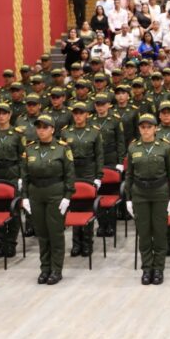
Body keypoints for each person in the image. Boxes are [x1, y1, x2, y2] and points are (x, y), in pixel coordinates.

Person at [125, 114, 170, 286]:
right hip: (140, 193)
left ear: (155, 128)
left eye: (149, 127)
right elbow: (129, 175)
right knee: (144, 233)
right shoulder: (133, 147)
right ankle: (147, 268)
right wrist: (128, 198)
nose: (146, 130)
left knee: (160, 232)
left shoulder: (164, 147)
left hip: (160, 193)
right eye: (142, 127)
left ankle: (158, 268)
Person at [22, 115, 75, 285]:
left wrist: (67, 196)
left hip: (55, 192)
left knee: (55, 233)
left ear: (52, 129)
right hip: (36, 192)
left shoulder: (62, 148)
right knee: (42, 234)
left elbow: (69, 174)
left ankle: (56, 269)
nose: (41, 130)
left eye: (45, 127)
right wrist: (24, 197)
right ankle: (45, 268)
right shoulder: (29, 149)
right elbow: (24, 176)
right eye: (39, 127)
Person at [62, 102, 104, 258]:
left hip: (88, 170)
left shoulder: (94, 132)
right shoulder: (66, 132)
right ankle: (76, 243)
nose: (78, 116)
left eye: (81, 113)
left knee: (87, 207)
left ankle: (87, 242)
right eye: (75, 113)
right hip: (73, 170)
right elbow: (64, 157)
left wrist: (99, 176)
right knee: (74, 206)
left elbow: (99, 155)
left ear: (87, 114)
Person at [0, 103, 27, 258]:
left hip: (12, 172)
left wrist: (22, 177)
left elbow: (23, 157)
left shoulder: (17, 134)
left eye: (4, 113)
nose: (1, 116)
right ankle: (1, 242)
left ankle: (11, 242)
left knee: (13, 210)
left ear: (10, 115)